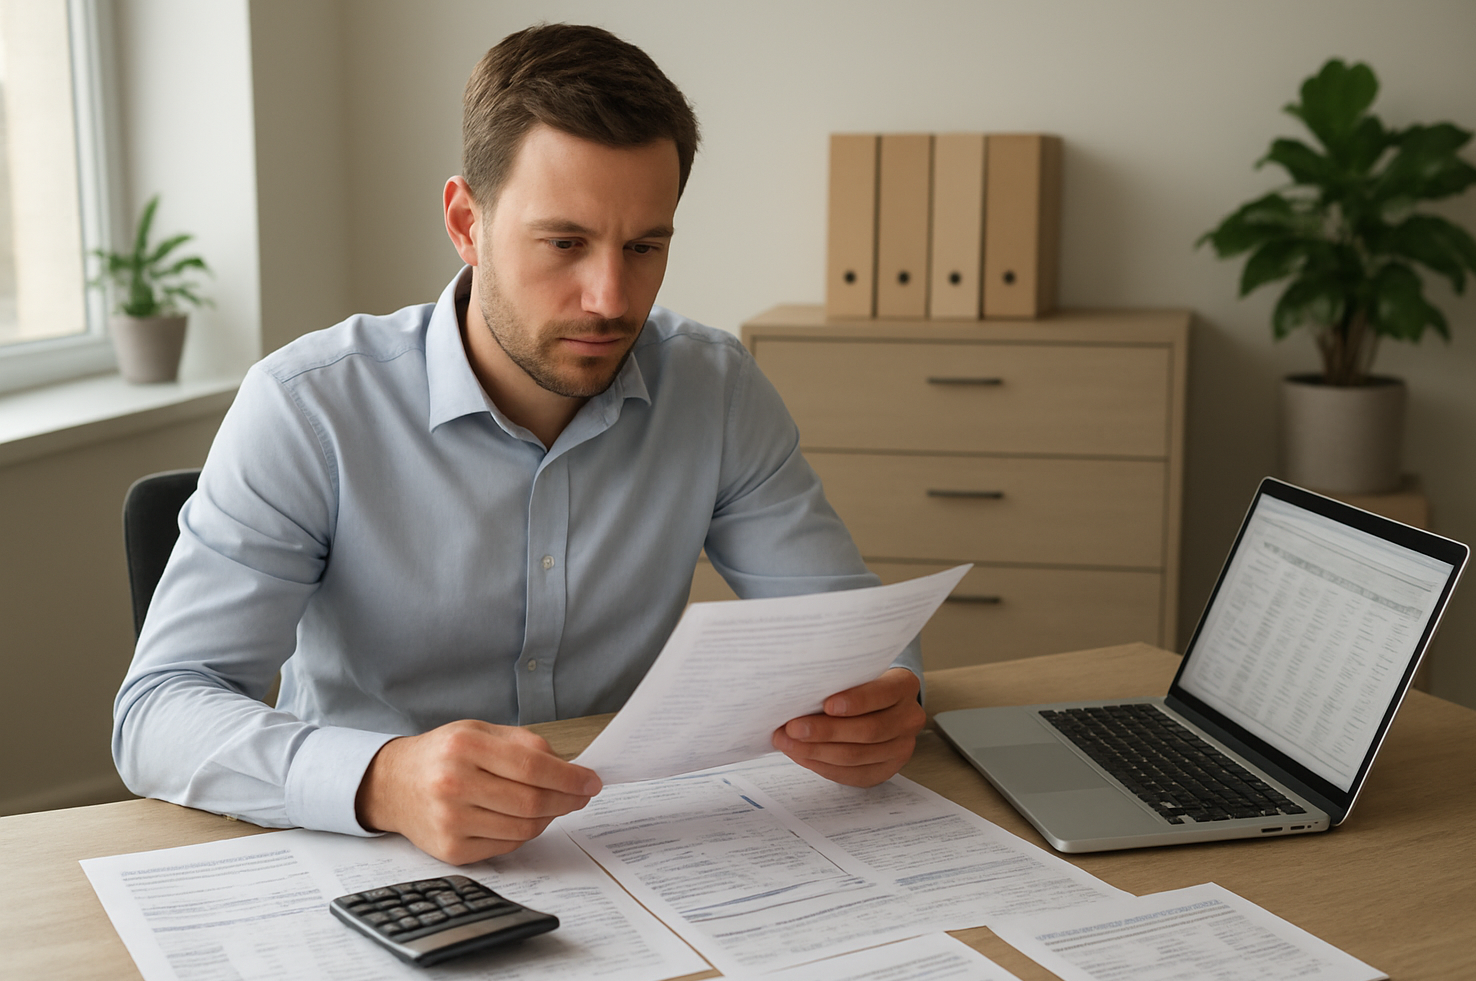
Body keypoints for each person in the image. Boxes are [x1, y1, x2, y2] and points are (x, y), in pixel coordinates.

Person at [113, 24, 923, 866]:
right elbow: (159, 712)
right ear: (467, 222)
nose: (611, 298)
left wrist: (882, 700)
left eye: (645, 247)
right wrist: (383, 779)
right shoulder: (306, 407)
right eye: (565, 243)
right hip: (369, 853)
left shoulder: (715, 389)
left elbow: (855, 638)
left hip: (634, 842)